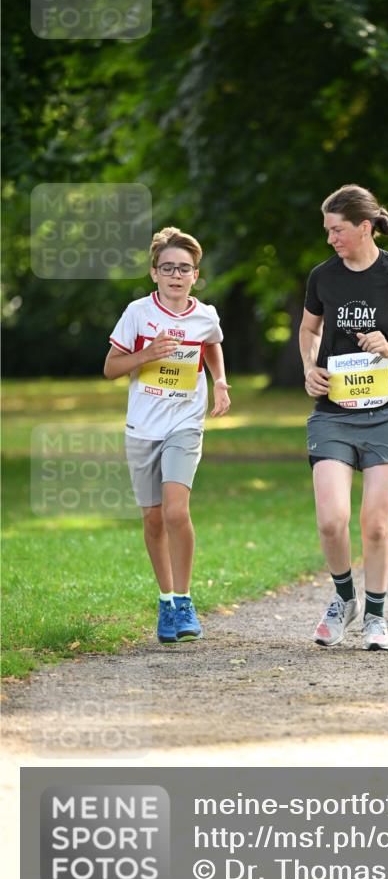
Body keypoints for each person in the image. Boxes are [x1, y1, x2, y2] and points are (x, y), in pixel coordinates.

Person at [299, 184, 388, 651]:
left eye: (337, 230)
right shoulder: (323, 276)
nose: (330, 239)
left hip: (387, 412)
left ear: (365, 227)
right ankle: (345, 600)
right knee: (331, 520)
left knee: (375, 524)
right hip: (333, 413)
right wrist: (309, 367)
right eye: (327, 230)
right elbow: (309, 328)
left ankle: (376, 617)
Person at [104, 227, 231, 643]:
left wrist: (220, 382)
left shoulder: (204, 315)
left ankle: (184, 598)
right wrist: (146, 354)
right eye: (168, 268)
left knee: (176, 512)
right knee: (154, 519)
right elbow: (110, 368)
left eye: (184, 268)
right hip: (143, 428)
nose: (176, 275)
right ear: (154, 273)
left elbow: (212, 343)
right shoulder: (138, 313)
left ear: (196, 275)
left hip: (185, 423)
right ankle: (165, 602)